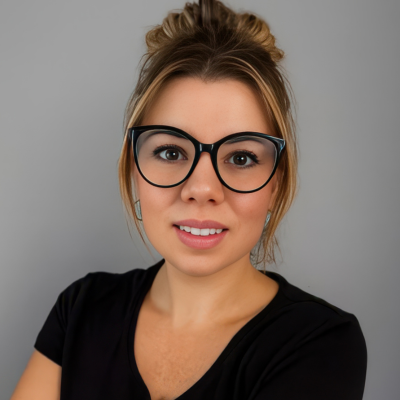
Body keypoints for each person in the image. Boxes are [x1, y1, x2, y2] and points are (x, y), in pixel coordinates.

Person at [10, 0, 367, 399]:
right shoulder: (82, 309)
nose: (202, 189)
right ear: (134, 167)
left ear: (276, 185)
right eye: (171, 152)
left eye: (241, 158)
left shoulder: (320, 342)